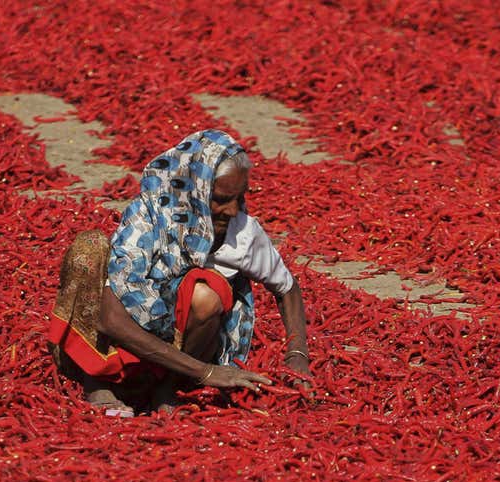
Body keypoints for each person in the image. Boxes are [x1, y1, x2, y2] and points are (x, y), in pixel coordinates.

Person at [47, 129, 311, 416]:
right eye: (221, 198)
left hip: (181, 354)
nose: (233, 210)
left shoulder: (242, 233)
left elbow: (287, 288)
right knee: (89, 247)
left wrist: (297, 354)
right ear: (194, 189)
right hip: (123, 339)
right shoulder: (150, 216)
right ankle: (96, 379)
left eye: (239, 197)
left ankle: (169, 389)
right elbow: (111, 320)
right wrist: (207, 373)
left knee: (207, 290)